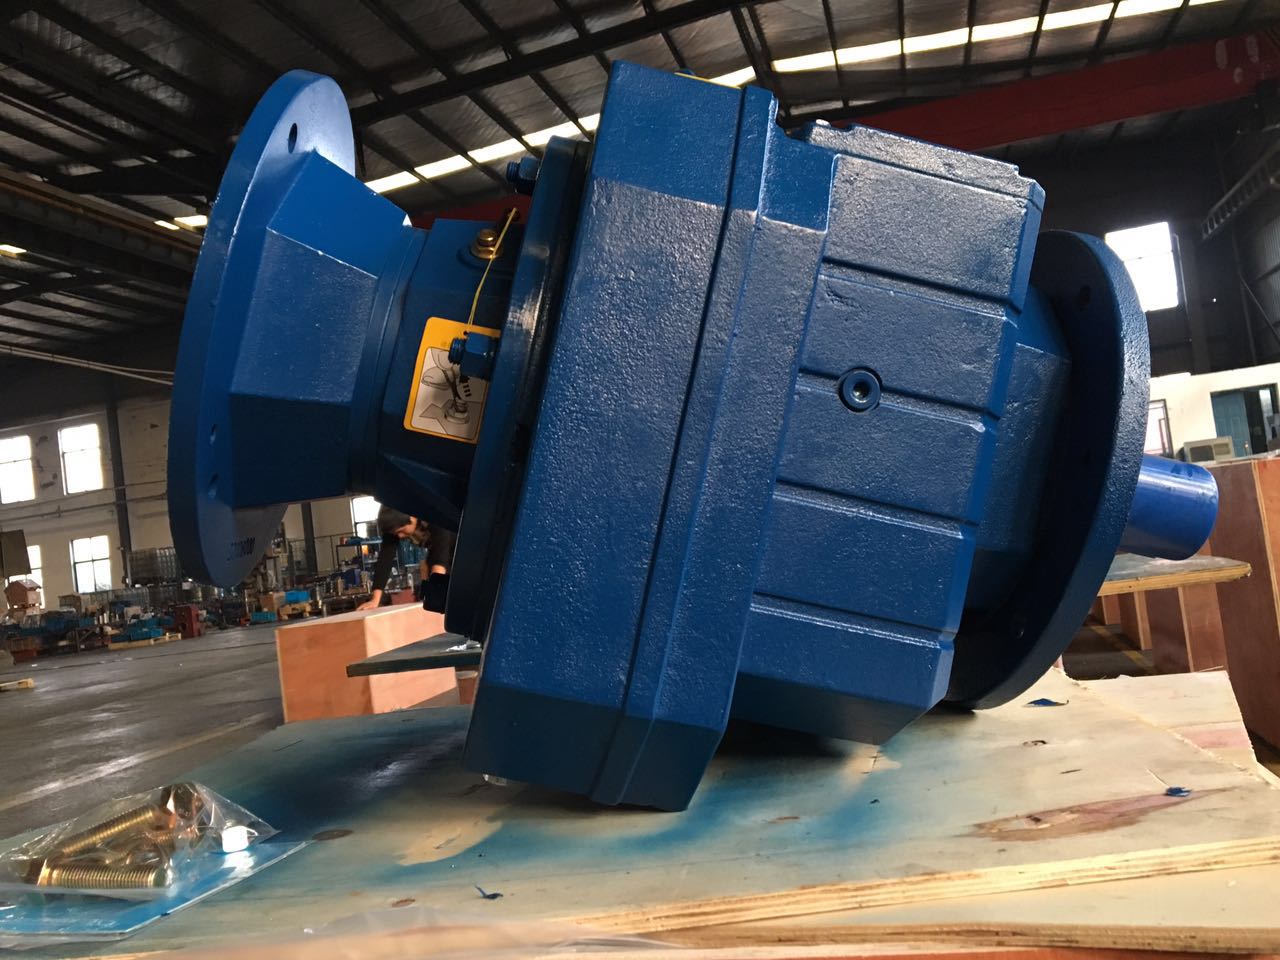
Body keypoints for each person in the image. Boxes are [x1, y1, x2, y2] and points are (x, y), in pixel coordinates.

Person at [356, 506, 456, 611]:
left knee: (445, 590)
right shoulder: (396, 527)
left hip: (460, 548)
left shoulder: (434, 515)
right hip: (438, 552)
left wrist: (436, 595)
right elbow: (384, 561)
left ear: (412, 518)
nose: (399, 536)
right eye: (396, 533)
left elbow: (440, 558)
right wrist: (375, 600)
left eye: (401, 531)